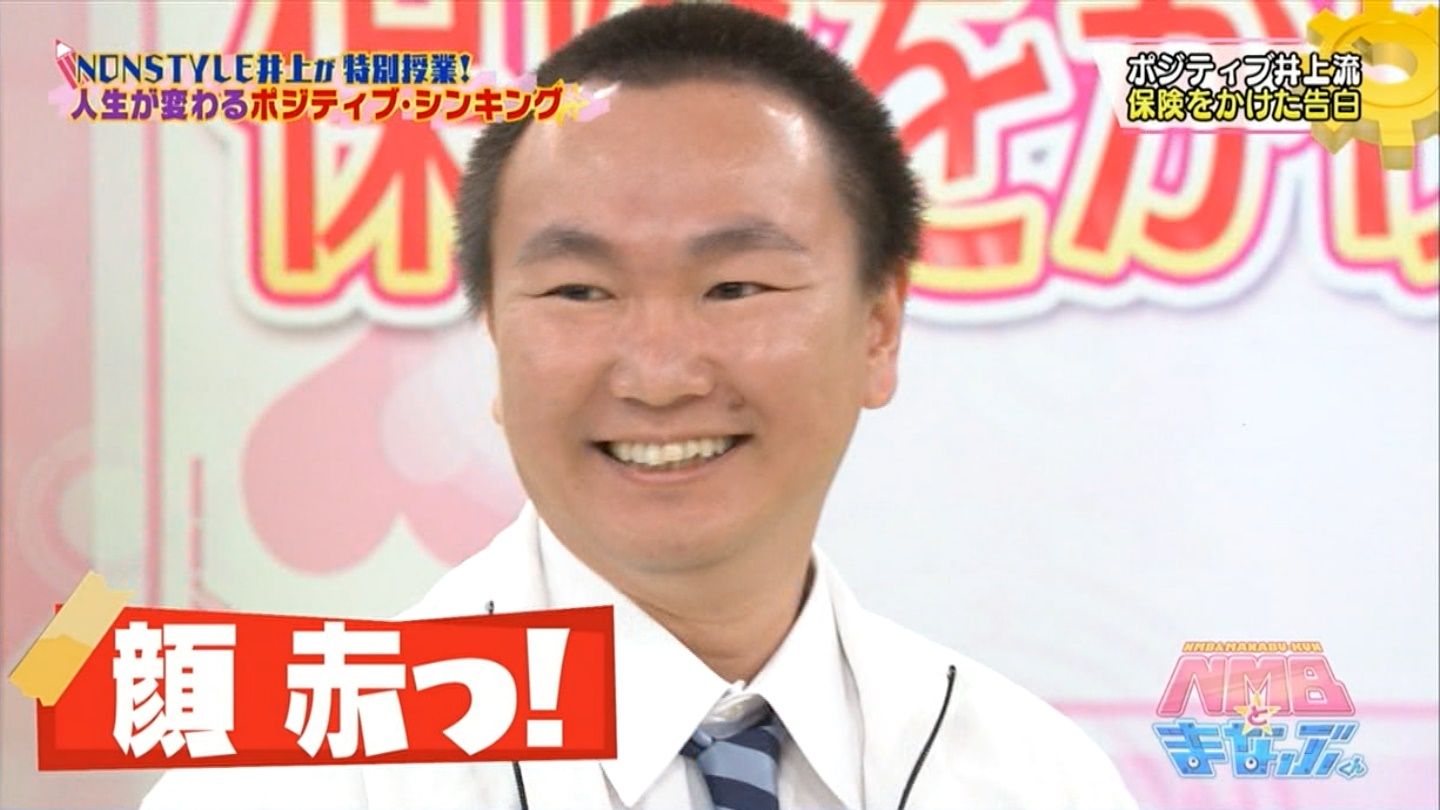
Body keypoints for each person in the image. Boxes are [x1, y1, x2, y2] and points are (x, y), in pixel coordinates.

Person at [142, 4, 1136, 809]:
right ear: (493, 334)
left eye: (736, 287)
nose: (658, 375)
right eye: (579, 291)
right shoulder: (287, 785)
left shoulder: (1036, 778)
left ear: (879, 328)